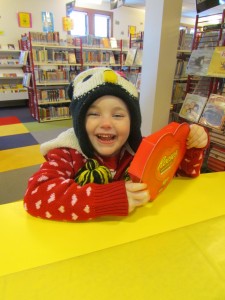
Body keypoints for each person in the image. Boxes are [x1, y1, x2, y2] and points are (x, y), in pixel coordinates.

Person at [24, 67, 209, 222]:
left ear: (133, 123)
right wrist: (109, 199)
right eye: (94, 114)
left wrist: (192, 146)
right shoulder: (68, 153)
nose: (106, 123)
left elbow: (182, 174)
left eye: (118, 115)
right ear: (79, 122)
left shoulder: (139, 150)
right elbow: (35, 195)